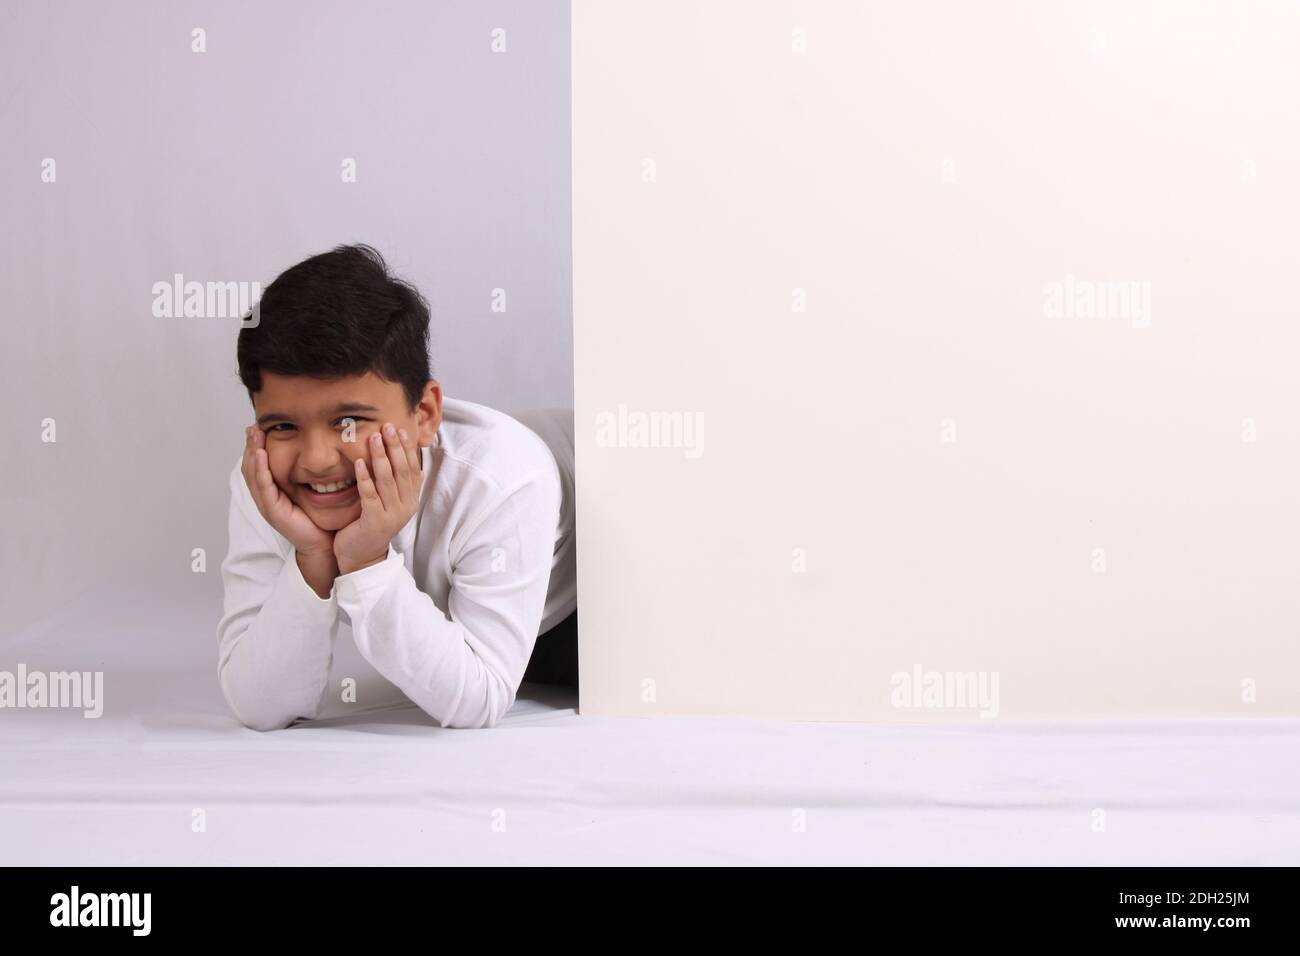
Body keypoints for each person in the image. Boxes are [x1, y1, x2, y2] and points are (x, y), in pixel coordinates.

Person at [216, 244, 576, 731]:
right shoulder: (267, 481)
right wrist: (312, 559)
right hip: (471, 607)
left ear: (425, 414)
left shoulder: (505, 477)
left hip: (586, 595)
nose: (316, 460)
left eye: (347, 421)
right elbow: (259, 706)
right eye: (282, 426)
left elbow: (480, 698)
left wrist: (365, 561)